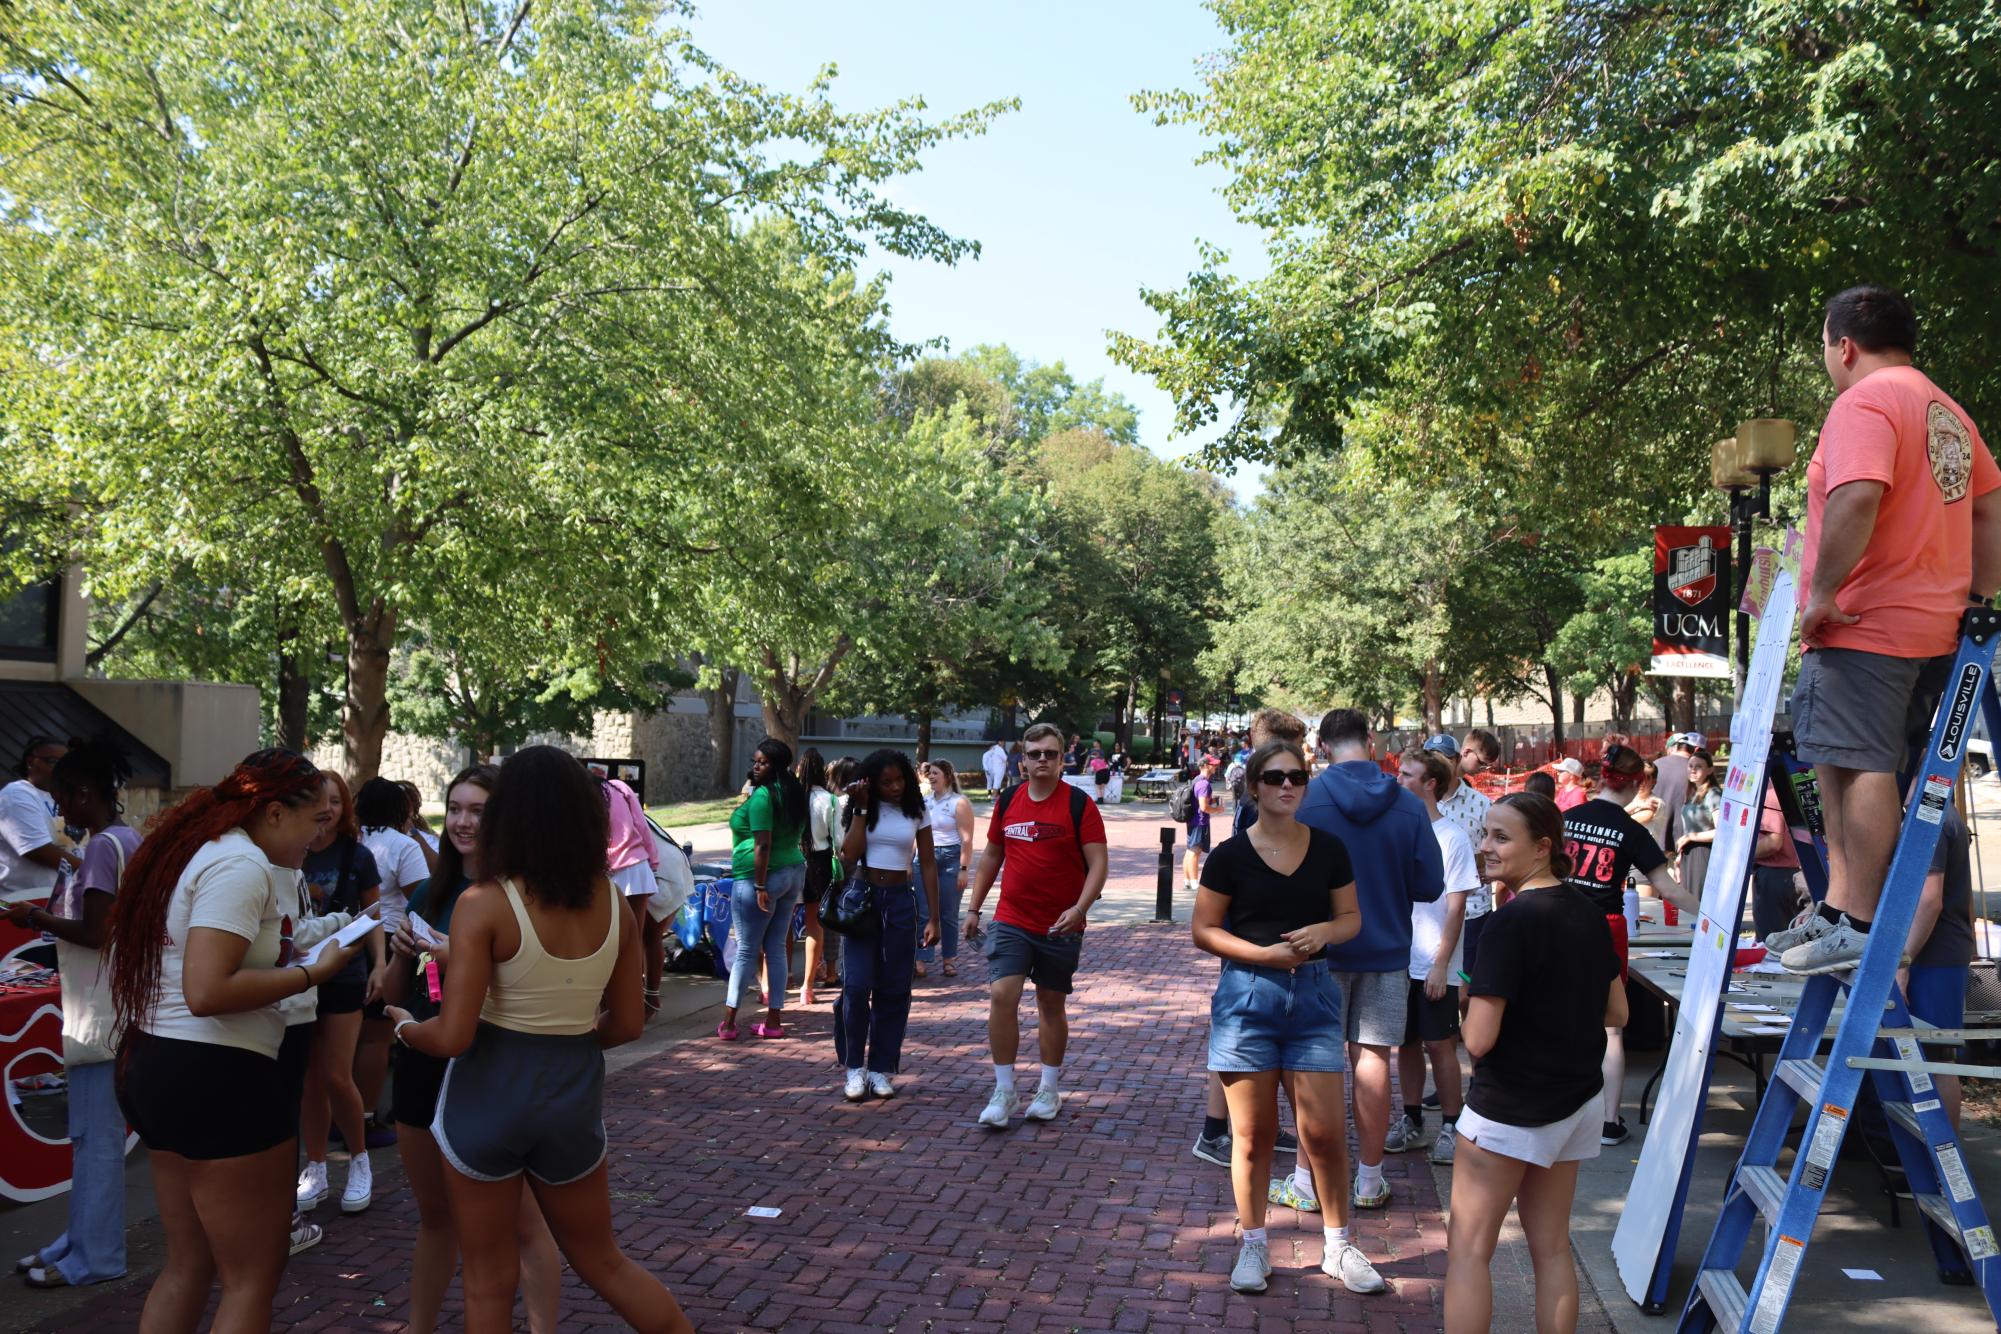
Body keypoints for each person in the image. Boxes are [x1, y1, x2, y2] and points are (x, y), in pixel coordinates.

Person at [384, 747, 690, 1334]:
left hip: (486, 1100)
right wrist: (566, 1040)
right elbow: (627, 1024)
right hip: (570, 1099)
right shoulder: (615, 905)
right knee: (604, 1262)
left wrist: (403, 1025)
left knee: (486, 1281)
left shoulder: (483, 903)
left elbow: (452, 1035)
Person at [1778, 284, 2001, 974]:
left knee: (1857, 765)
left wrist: (1819, 593)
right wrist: (1973, 593)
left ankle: (1857, 915)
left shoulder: (1863, 402)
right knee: (1837, 756)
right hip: (1933, 628)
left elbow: (1856, 493)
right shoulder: (1948, 414)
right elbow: (1990, 513)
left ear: (1842, 346)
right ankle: (1839, 908)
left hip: (1862, 620)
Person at [107, 749, 366, 1332]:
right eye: (313, 822)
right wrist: (312, 973)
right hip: (218, 1074)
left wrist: (292, 955)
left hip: (158, 1062)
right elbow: (208, 989)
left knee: (188, 1263)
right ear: (274, 813)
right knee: (253, 1274)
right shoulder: (241, 865)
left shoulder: (199, 852)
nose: (316, 837)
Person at [1193, 741, 1381, 1296]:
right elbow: (1204, 929)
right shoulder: (1230, 854)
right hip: (1248, 998)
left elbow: (1350, 918)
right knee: (1251, 1136)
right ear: (1253, 786)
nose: (1286, 786)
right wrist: (1264, 956)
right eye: (1274, 777)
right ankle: (1253, 1245)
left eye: (1297, 776)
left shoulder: (1328, 849)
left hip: (1316, 996)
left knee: (1323, 1134)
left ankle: (1339, 1246)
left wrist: (1325, 931)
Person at [382, 765, 562, 1334]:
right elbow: (391, 993)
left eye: (477, 811)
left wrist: (453, 955)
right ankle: (419, 1326)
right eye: (454, 808)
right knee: (435, 1217)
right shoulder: (427, 890)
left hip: (487, 1068)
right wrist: (405, 953)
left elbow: (524, 985)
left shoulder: (517, 895)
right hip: (420, 1058)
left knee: (524, 1223)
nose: (462, 822)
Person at [1444, 793, 1626, 1334]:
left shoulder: (1509, 923)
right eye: (1486, 835)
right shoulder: (1590, 914)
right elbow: (1616, 1009)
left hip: (1508, 1107)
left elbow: (1478, 1041)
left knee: (1469, 1252)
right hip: (1575, 1102)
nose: (1485, 848)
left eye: (1501, 838)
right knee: (1551, 1249)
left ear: (1543, 847)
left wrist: (1464, 1005)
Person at [1293, 710, 1444, 1212]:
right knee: (1373, 1062)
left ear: (1322, 746)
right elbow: (1429, 885)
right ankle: (1369, 1178)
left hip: (1320, 951)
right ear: (1372, 741)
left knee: (1315, 1065)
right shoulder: (1408, 805)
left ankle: (1305, 1180)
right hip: (1386, 951)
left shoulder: (1306, 800)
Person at [5, 738, 139, 1288]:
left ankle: (97, 1254)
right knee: (90, 1136)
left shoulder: (106, 847)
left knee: (95, 1139)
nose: (60, 814)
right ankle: (79, 1240)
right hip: (112, 1006)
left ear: (85, 794)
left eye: (63, 801)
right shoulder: (128, 839)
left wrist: (36, 919)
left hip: (100, 1012)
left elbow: (96, 932)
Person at [964, 721, 1109, 1128]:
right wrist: (974, 908)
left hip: (1061, 923)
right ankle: (1004, 1090)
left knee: (1050, 1002)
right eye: (1034, 754)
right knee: (1002, 994)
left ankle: (1048, 1088)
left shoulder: (1079, 805)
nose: (1042, 760)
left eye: (1050, 753)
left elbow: (1098, 863)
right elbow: (992, 855)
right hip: (1011, 918)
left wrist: (1080, 909)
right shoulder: (1008, 800)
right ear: (1023, 760)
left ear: (1062, 759)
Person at [1556, 743, 1687, 1146]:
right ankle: (1609, 1122)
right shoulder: (1631, 830)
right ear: (1635, 783)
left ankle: (1559, 1112)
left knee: (1558, 1017)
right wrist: (1715, 916)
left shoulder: (1568, 818)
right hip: (1604, 928)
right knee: (1611, 1028)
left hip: (1560, 919)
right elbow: (1667, 888)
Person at [1200, 706, 1308, 1169]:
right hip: (1250, 940)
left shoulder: (1264, 792)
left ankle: (1233, 1126)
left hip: (1259, 938)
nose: (1292, 780)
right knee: (1238, 1033)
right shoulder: (1256, 802)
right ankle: (1217, 1129)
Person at [296, 772, 383, 1220]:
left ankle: (359, 1160)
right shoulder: (290, 851)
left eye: (334, 800)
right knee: (310, 1078)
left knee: (335, 1074)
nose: (326, 808)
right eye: (318, 799)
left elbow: (374, 915)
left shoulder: (358, 855)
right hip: (298, 977)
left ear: (344, 806)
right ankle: (315, 1167)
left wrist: (380, 967)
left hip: (345, 976)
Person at [1387, 748, 1480, 1166]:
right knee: (1405, 1043)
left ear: (1430, 784)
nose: (1398, 779)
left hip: (1432, 961)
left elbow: (1457, 907)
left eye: (1407, 774)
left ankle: (1450, 1124)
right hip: (1395, 958)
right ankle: (1410, 1121)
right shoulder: (1394, 830)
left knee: (1441, 1044)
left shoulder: (1453, 837)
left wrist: (1443, 963)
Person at [835, 749, 941, 1099]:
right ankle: (854, 1067)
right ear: (872, 783)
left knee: (894, 989)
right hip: (863, 897)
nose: (895, 787)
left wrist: (934, 917)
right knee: (855, 986)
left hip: (899, 900)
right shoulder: (858, 807)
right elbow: (848, 855)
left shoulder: (917, 809)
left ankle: (880, 1068)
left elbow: (927, 864)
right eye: (886, 782)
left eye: (899, 780)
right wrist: (863, 807)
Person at [355, 777, 431, 1140]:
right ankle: (365, 1117)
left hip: (344, 937)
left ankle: (340, 1116)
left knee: (342, 1037)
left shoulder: (351, 841)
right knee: (375, 1035)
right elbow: (422, 897)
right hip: (388, 939)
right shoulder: (403, 845)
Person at [718, 739, 808, 1040]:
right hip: (792, 872)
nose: (756, 766)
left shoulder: (762, 798)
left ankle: (729, 1023)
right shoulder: (793, 792)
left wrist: (758, 884)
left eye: (763, 762)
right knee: (776, 949)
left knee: (746, 949)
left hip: (763, 878)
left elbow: (763, 843)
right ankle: (773, 1022)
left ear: (777, 766)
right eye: (756, 761)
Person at [1901, 805, 1974, 1126]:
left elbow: (1930, 899)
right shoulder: (1930, 809)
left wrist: (1902, 962)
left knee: (1937, 1059)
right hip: (1933, 953)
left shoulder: (1931, 812)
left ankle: (1942, 1162)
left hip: (1935, 956)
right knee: (1925, 1058)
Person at [1429, 733, 1494, 979]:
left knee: (1467, 989)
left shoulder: (1482, 804)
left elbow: (1502, 846)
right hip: (1429, 915)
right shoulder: (1414, 803)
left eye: (1442, 759)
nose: (1435, 765)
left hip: (1472, 912)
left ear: (1456, 760)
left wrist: (1492, 867)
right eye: (1430, 759)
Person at [0, 735, 79, 902]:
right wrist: (97, 871)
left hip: (65, 901)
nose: (61, 769)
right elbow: (38, 850)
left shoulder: (65, 797)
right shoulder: (17, 794)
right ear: (31, 762)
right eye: (53, 761)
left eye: (66, 763)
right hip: (26, 902)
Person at [916, 760, 974, 978]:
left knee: (948, 913)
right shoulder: (924, 801)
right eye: (929, 774)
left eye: (935, 773)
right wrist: (909, 861)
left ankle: (949, 959)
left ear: (947, 776)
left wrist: (964, 867)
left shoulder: (959, 802)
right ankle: (922, 956)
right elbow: (916, 833)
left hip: (950, 857)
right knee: (924, 911)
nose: (930, 777)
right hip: (925, 856)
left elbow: (966, 839)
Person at [799, 748, 839, 1004]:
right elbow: (837, 837)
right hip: (820, 861)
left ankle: (772, 985)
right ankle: (807, 986)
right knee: (815, 924)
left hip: (793, 859)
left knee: (783, 927)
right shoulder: (829, 799)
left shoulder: (793, 797)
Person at [603, 772, 659, 932]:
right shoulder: (618, 787)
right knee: (635, 938)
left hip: (605, 873)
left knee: (609, 940)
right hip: (636, 868)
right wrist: (654, 865)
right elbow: (642, 826)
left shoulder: (579, 795)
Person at [1750, 786, 1803, 941]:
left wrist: (1740, 857)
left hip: (1776, 877)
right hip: (1795, 874)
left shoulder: (1771, 791)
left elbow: (1773, 843)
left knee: (1772, 948)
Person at [1675, 749, 1721, 896]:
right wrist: (1680, 856)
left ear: (1710, 770)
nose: (1693, 770)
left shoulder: (1713, 794)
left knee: (1699, 902)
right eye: (1690, 766)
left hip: (1704, 854)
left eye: (1699, 766)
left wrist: (1690, 837)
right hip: (1688, 855)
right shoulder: (1692, 793)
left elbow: (1721, 831)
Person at [1650, 733, 1697, 855]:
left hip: (1656, 838)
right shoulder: (1696, 770)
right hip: (1685, 841)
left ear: (1673, 748)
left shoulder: (1655, 765)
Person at [1183, 754, 1223, 893]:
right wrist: (1217, 809)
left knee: (1190, 850)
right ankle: (1194, 882)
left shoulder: (1196, 780)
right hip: (1200, 821)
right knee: (1195, 851)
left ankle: (1187, 880)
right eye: (1213, 764)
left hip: (1192, 820)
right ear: (1206, 765)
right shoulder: (1204, 784)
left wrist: (1211, 801)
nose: (1216, 767)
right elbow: (1203, 807)